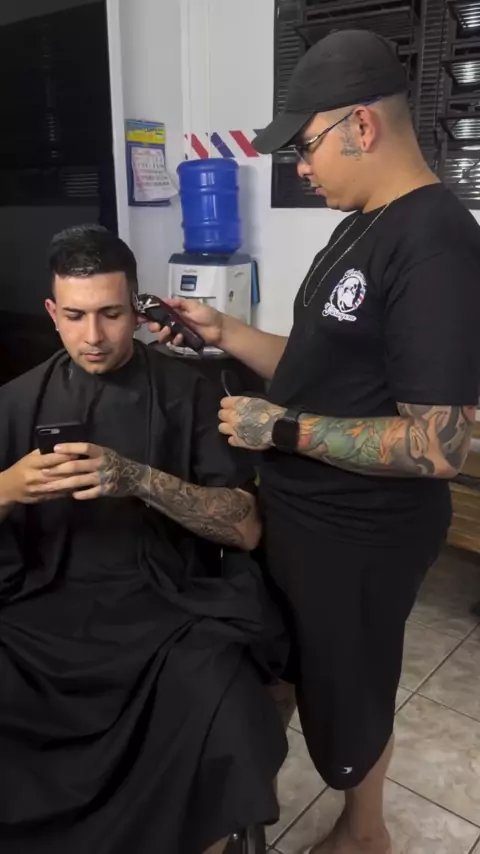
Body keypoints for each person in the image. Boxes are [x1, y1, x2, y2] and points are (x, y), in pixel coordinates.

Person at [148, 29, 480, 854]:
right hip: (304, 509)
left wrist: (282, 427)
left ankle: (366, 834)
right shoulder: (358, 223)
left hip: (363, 531)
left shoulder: (436, 243)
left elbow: (441, 445)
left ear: (360, 126)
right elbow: (319, 361)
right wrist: (224, 331)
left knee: (350, 689)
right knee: (292, 663)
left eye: (306, 144)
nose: (301, 166)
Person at [0, 225, 289, 854]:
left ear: (136, 309)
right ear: (51, 311)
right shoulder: (14, 403)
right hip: (44, 611)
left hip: (165, 608)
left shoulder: (192, 392)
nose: (94, 336)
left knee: (226, 702)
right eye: (74, 315)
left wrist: (137, 479)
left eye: (110, 314)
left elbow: (244, 526)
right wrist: (8, 487)